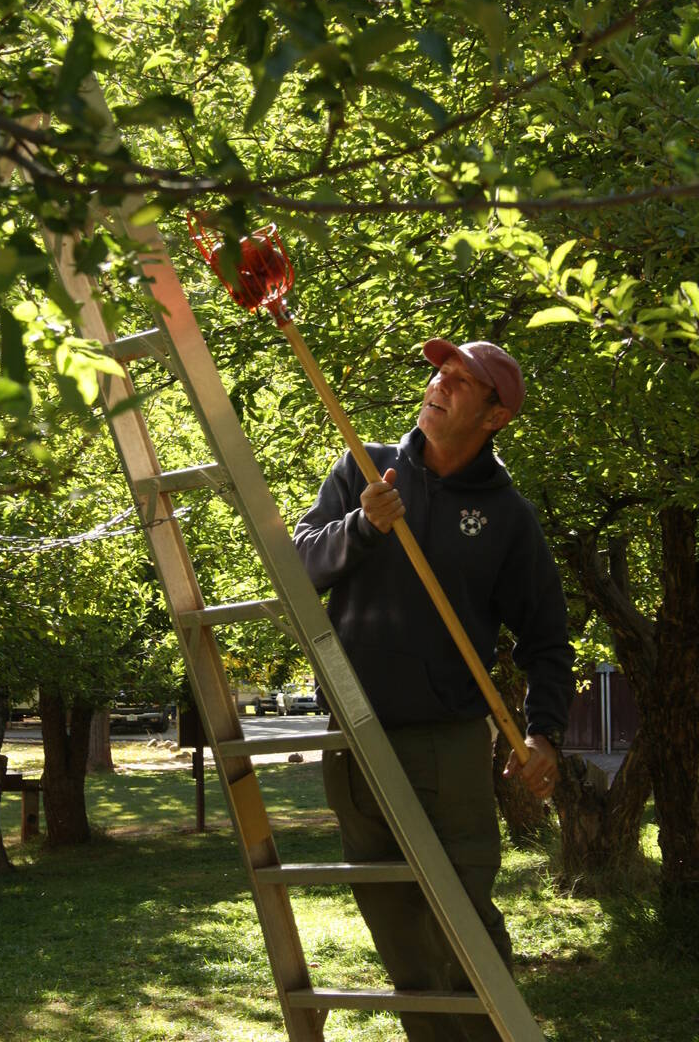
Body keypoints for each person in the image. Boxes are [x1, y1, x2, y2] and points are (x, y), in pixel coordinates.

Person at [293, 338, 575, 1042]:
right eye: (439, 372)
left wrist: (544, 732)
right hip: (352, 741)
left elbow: (546, 640)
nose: (438, 384)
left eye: (460, 381)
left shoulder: (508, 516)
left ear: (494, 416)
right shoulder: (365, 469)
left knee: (463, 928)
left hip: (446, 746)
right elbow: (297, 563)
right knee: (400, 941)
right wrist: (363, 525)